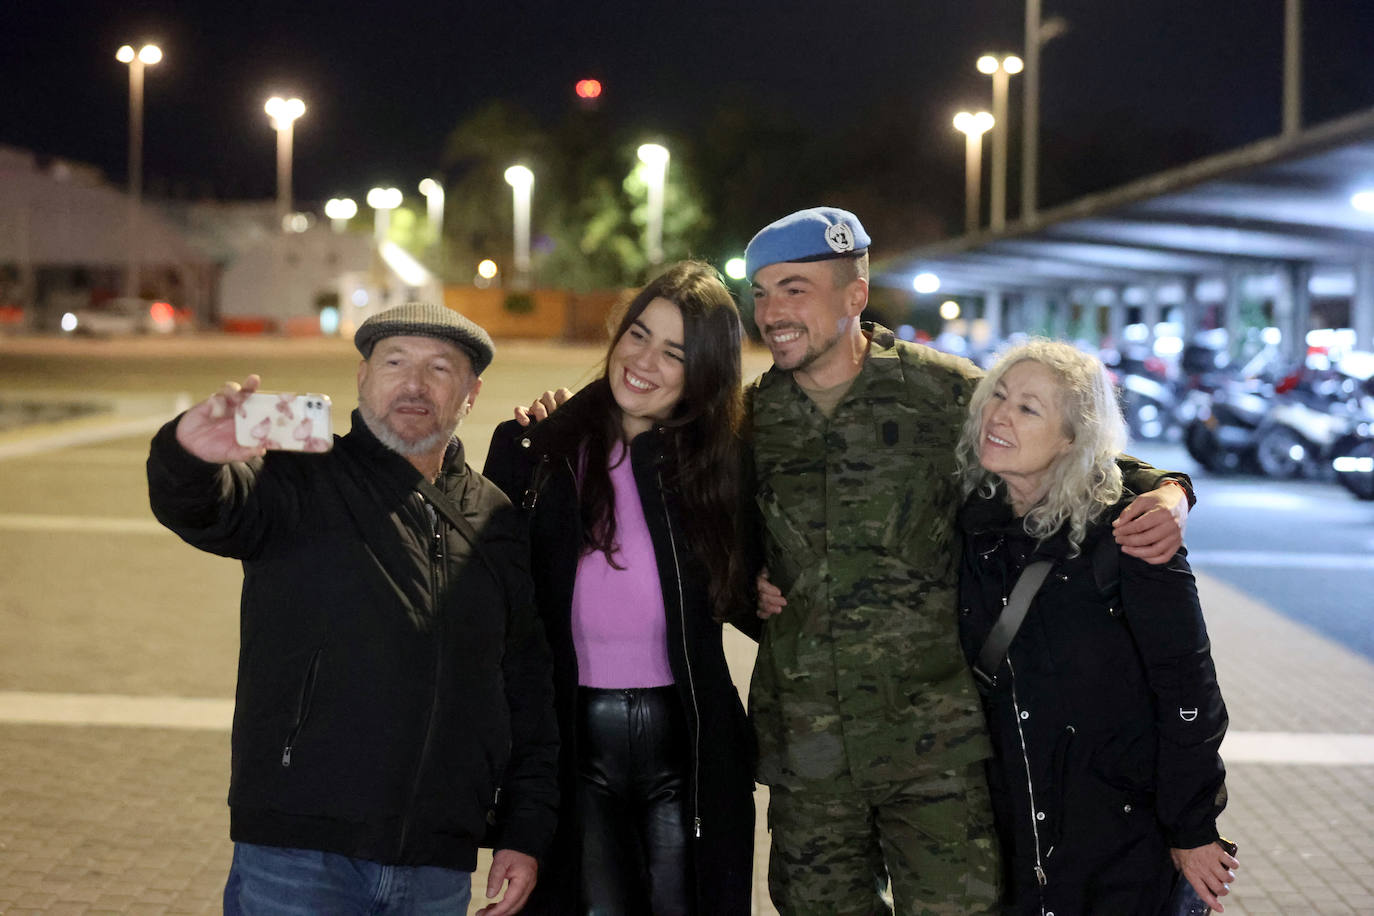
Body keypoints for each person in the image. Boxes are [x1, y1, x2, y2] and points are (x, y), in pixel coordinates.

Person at [744, 207, 1193, 915]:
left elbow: (1071, 450)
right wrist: (749, 590)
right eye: (762, 292)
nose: (772, 311)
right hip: (809, 753)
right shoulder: (750, 417)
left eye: (794, 289)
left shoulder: (943, 390)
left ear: (854, 296)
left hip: (936, 745)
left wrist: (1169, 491)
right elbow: (705, 535)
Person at [146, 302, 559, 916]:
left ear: (471, 395)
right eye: (395, 362)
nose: (415, 384)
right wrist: (187, 454)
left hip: (436, 861)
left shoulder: (496, 517)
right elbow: (209, 508)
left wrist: (525, 831)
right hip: (298, 851)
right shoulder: (299, 478)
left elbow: (524, 682)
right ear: (362, 379)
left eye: (440, 369)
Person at [484, 261, 756, 915]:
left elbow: (756, 592)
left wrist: (769, 591)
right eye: (638, 335)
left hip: (685, 739)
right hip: (575, 737)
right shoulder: (538, 452)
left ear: (705, 373)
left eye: (675, 353)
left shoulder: (721, 467)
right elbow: (491, 596)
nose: (644, 362)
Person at [954, 339, 1235, 914]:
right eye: (997, 397)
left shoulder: (1130, 534)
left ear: (1073, 438)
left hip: (1119, 844)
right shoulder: (971, 526)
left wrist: (1192, 827)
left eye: (1028, 409)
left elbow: (1189, 694)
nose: (999, 416)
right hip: (1005, 838)